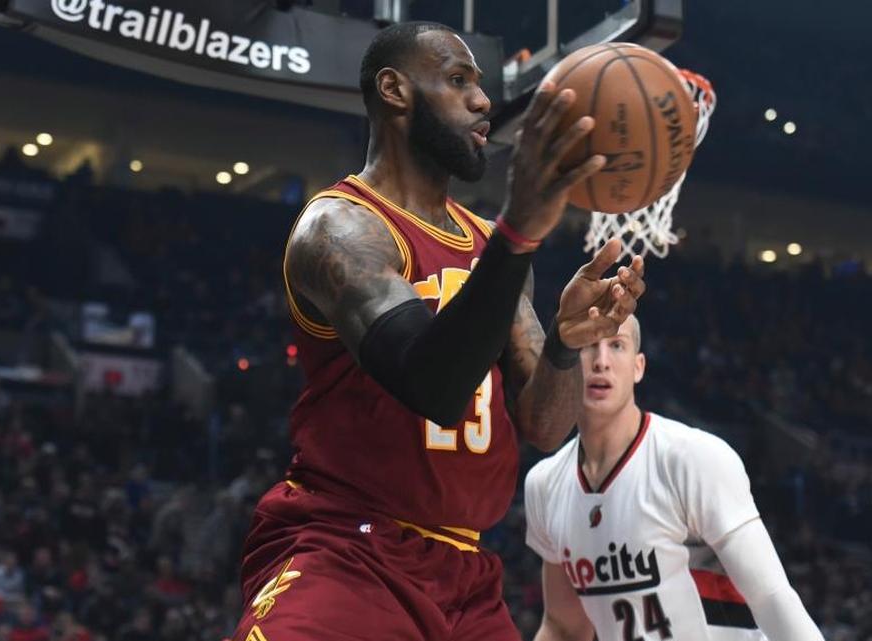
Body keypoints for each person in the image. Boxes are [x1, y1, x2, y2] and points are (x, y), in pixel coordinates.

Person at [232, 21, 647, 641]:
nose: (483, 102)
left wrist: (567, 343)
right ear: (395, 90)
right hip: (349, 548)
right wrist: (519, 234)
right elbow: (432, 385)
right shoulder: (340, 229)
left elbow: (544, 424)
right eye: (458, 81)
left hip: (467, 577)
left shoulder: (487, 242)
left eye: (479, 85)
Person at [525, 316, 824, 641]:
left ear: (638, 367)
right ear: (564, 364)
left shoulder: (694, 458)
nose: (601, 361)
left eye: (616, 345)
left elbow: (771, 597)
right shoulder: (544, 484)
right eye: (586, 345)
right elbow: (564, 627)